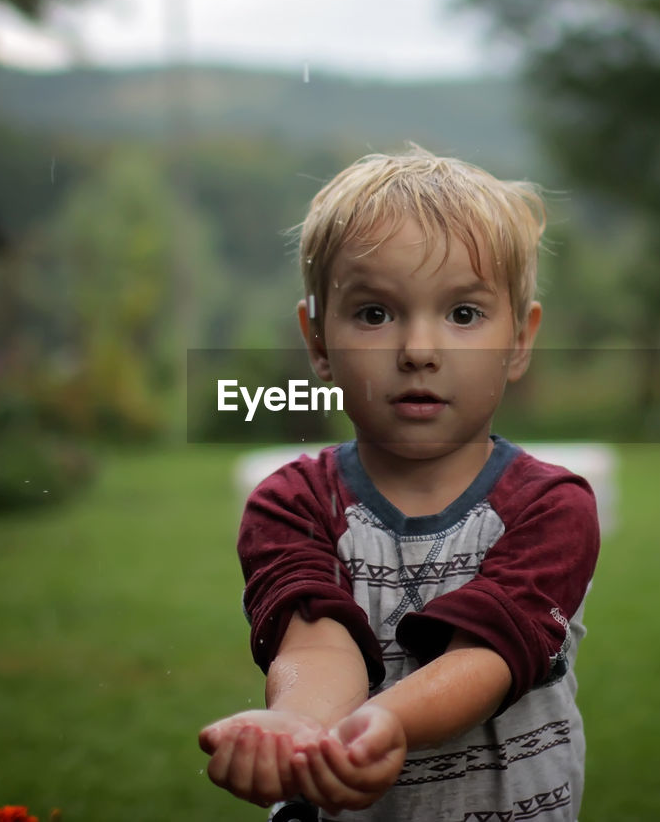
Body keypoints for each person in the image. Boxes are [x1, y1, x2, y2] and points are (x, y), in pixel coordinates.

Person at [198, 145, 600, 821]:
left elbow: (485, 658)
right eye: (376, 313)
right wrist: (301, 723)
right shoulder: (293, 501)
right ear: (318, 339)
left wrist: (385, 723)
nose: (418, 348)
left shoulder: (550, 507)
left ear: (521, 339)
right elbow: (317, 643)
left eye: (463, 314)